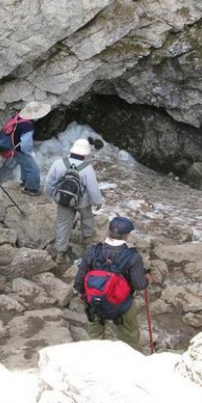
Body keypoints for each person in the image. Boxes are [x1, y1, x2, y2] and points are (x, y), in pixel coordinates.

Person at [74, 216, 150, 352]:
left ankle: (96, 357)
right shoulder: (133, 256)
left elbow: (80, 278)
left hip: (95, 301)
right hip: (122, 304)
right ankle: (130, 358)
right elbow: (139, 285)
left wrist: (83, 295)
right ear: (126, 236)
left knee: (95, 335)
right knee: (129, 337)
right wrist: (148, 279)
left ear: (108, 231)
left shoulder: (93, 251)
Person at [45, 138, 103, 263]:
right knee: (87, 218)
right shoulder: (87, 169)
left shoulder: (58, 163)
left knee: (63, 224)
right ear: (86, 154)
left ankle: (60, 253)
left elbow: (50, 182)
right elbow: (93, 188)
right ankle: (87, 239)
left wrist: (51, 195)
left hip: (63, 200)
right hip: (83, 202)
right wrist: (97, 201)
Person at [3, 101, 51, 196]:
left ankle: (25, 181)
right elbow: (25, 144)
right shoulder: (27, 126)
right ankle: (31, 188)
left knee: (25, 165)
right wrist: (29, 152)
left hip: (14, 147)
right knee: (33, 169)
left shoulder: (19, 117)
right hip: (20, 150)